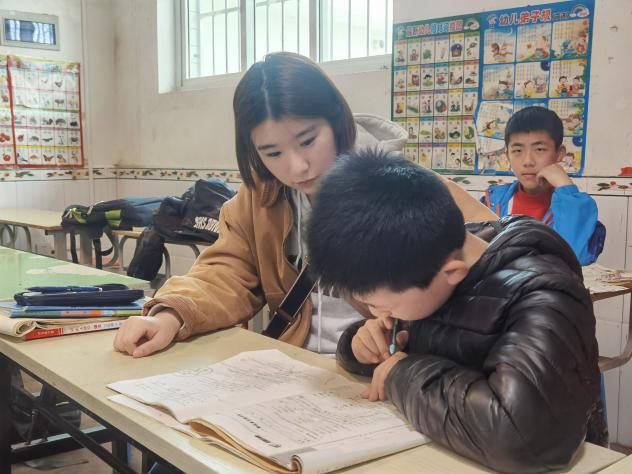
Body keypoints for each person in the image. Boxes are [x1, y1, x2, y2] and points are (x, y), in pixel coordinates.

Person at [113, 52, 496, 359]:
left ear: (336, 120)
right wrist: (170, 315)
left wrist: (410, 337)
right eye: (272, 152)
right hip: (295, 368)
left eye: (308, 140)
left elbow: (491, 273)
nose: (296, 167)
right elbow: (226, 271)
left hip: (387, 374)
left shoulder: (411, 191)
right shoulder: (259, 201)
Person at [306, 150, 605, 473]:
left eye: (384, 305)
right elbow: (401, 349)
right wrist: (361, 346)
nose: (376, 312)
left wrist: (400, 373)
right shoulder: (425, 262)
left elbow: (522, 437)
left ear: (452, 273)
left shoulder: (544, 295)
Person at [483, 106, 599, 265]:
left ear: (559, 153)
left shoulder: (576, 207)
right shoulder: (490, 203)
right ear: (507, 156)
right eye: (517, 150)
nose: (528, 161)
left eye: (539, 149)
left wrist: (565, 187)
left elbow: (573, 260)